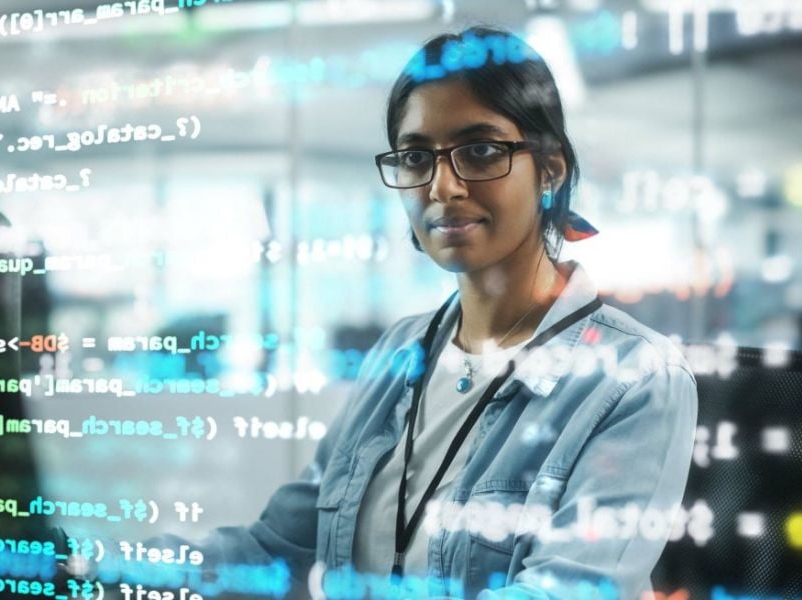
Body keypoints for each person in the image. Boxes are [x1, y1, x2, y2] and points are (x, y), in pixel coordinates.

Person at [60, 25, 697, 600]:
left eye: (479, 151)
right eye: (417, 157)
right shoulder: (403, 351)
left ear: (550, 171)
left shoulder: (634, 378)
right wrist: (91, 567)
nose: (442, 187)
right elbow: (275, 552)